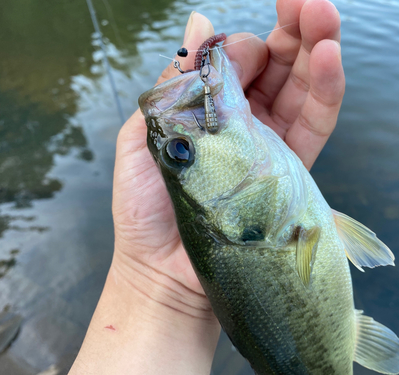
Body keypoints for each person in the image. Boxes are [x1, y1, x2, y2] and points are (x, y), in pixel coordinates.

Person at [69, 0, 344, 373]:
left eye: (179, 149)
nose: (181, 136)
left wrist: (149, 285)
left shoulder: (280, 218)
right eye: (182, 151)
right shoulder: (284, 220)